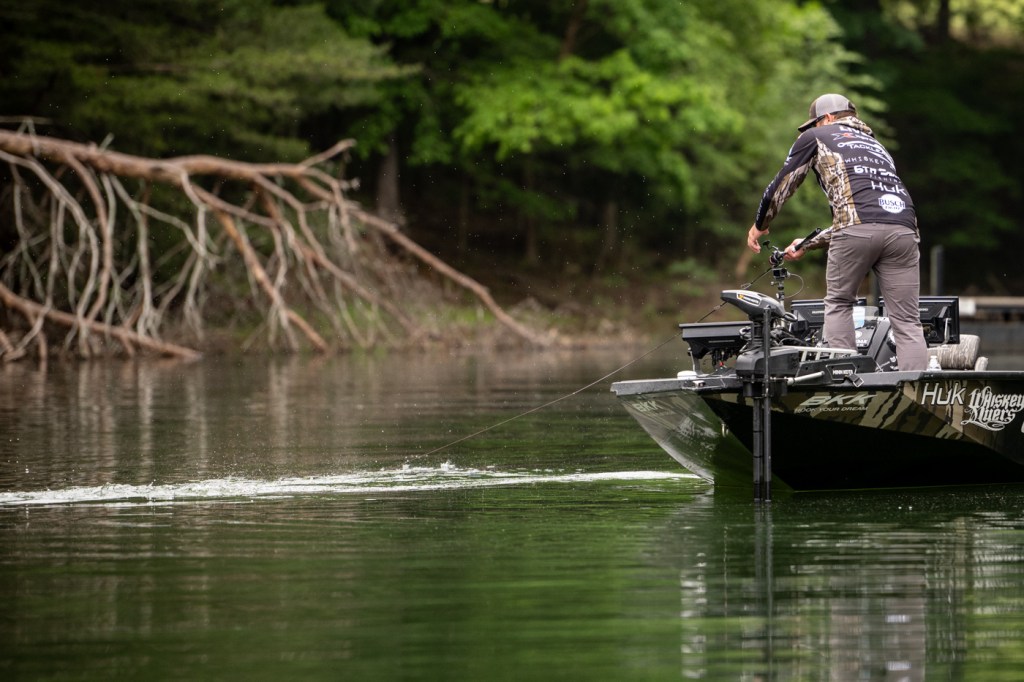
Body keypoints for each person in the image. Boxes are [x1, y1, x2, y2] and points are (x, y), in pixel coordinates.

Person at [745, 92, 928, 371]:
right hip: (904, 231)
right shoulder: (878, 147)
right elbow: (868, 216)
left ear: (828, 118)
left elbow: (783, 184)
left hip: (856, 231)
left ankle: (845, 378)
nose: (812, 128)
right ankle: (915, 387)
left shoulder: (816, 136)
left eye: (815, 122)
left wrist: (760, 223)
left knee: (840, 303)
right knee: (907, 320)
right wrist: (809, 243)